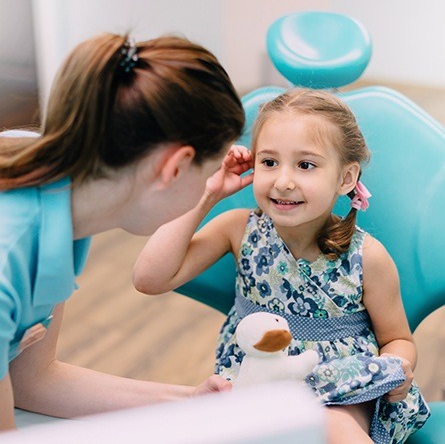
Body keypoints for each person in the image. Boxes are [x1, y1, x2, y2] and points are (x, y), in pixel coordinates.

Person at [133, 88, 431, 444]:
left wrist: (397, 366)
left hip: (342, 386)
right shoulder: (236, 229)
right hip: (255, 380)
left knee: (331, 428)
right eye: (269, 162)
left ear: (346, 178)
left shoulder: (367, 256)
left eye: (305, 165)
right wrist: (207, 196)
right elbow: (149, 278)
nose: (283, 181)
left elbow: (397, 338)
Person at [0, 31, 247, 431]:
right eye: (211, 171)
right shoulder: (8, 256)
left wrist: (189, 401)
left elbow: (33, 381)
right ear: (175, 167)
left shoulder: (54, 180)